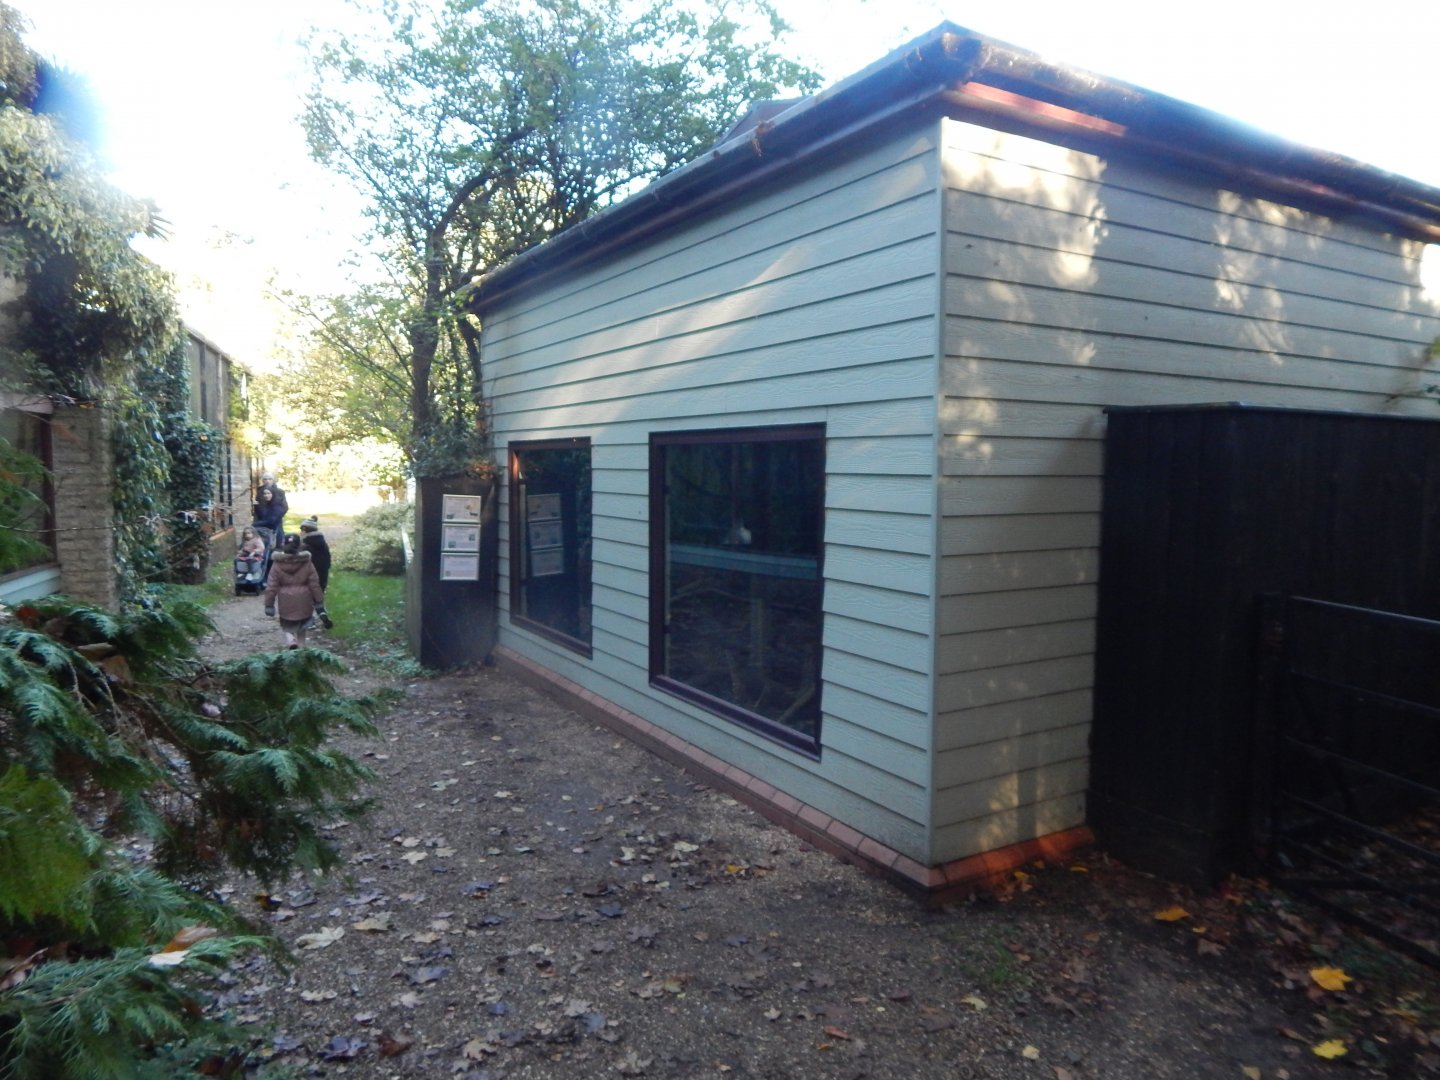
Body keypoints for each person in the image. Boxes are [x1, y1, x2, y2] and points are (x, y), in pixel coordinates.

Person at [263, 533, 327, 649]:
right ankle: (301, 648)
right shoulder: (307, 562)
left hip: (286, 600)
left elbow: (271, 586)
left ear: (284, 545)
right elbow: (314, 583)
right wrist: (318, 601)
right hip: (304, 600)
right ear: (300, 546)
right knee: (302, 627)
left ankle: (291, 641)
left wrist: (269, 605)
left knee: (287, 625)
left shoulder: (277, 563)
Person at [299, 517, 333, 629]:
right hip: (323, 574)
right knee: (318, 597)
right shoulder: (322, 543)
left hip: (309, 575)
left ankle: (310, 621)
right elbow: (328, 559)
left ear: (304, 530)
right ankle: (322, 613)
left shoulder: (305, 545)